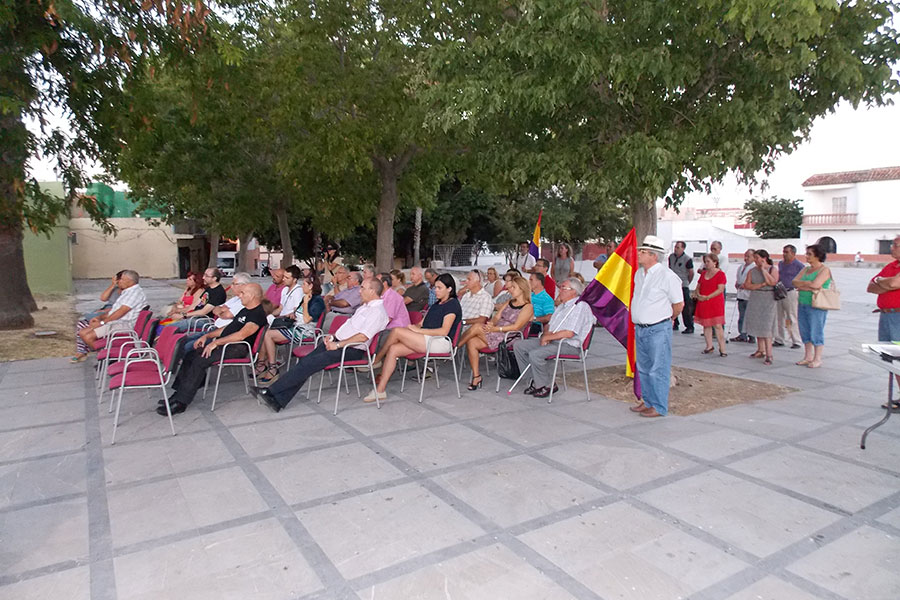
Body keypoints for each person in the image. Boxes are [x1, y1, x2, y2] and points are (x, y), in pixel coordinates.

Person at [250, 278, 390, 412]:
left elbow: (363, 336)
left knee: (309, 363)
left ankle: (271, 392)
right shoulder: (365, 307)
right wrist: (333, 337)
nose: (359, 291)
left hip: (351, 349)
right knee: (306, 363)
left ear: (372, 291)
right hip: (339, 343)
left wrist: (338, 344)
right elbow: (350, 327)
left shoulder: (377, 311)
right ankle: (278, 400)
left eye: (363, 288)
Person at [157, 284, 268, 416]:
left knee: (200, 360)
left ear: (252, 296)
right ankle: (179, 393)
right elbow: (228, 329)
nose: (239, 295)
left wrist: (216, 343)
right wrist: (207, 336)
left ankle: (181, 402)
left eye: (243, 293)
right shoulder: (245, 310)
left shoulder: (257, 314)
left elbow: (241, 335)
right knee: (191, 354)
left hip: (238, 347)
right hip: (228, 343)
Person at [367, 273, 462, 403]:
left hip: (441, 342)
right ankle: (380, 390)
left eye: (439, 288)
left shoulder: (452, 305)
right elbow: (421, 324)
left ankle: (376, 360)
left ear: (449, 289)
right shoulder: (436, 305)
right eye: (435, 287)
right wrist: (413, 329)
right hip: (426, 339)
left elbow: (444, 331)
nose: (436, 290)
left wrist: (417, 331)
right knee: (394, 348)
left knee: (396, 331)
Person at [628, 236, 684, 418]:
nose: (639, 254)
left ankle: (659, 406)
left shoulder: (667, 276)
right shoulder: (639, 274)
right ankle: (648, 401)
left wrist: (668, 318)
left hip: (658, 328)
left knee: (657, 369)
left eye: (643, 252)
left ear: (653, 255)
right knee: (643, 368)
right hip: (641, 328)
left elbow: (678, 304)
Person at [513, 278, 594, 399]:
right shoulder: (562, 306)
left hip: (569, 345)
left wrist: (548, 337)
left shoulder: (580, 306)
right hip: (554, 341)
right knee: (519, 346)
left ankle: (547, 385)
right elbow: (549, 325)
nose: (559, 290)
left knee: (536, 354)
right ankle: (534, 381)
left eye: (563, 288)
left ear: (574, 291)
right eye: (560, 287)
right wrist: (546, 335)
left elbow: (569, 333)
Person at [460, 276, 534, 390]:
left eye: (513, 287)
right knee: (472, 341)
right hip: (496, 332)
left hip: (509, 337)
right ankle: (476, 376)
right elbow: (497, 317)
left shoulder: (528, 307)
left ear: (522, 289)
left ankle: (455, 347)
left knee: (476, 327)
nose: (510, 290)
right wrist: (491, 324)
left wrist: (495, 329)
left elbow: (516, 327)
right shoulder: (509, 302)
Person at [258, 269, 326, 382]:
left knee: (269, 334)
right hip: (295, 325)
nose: (301, 286)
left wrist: (305, 304)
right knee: (266, 330)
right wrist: (293, 314)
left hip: (304, 331)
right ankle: (263, 364)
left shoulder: (316, 301)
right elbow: (299, 314)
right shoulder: (306, 297)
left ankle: (272, 368)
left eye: (304, 284)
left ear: (310, 286)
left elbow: (307, 319)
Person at [73, 270, 148, 362]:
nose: (118, 282)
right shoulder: (127, 292)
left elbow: (121, 312)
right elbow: (113, 311)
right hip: (117, 322)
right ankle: (105, 356)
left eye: (121, 280)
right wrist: (99, 318)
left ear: (130, 281)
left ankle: (106, 358)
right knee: (83, 332)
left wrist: (102, 322)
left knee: (88, 336)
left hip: (124, 324)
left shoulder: (134, 293)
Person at [867, 234, 900, 406]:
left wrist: (882, 283)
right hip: (886, 315)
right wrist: (884, 282)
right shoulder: (891, 266)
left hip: (898, 316)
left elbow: (895, 284)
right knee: (892, 357)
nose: (891, 248)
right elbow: (871, 287)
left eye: (895, 245)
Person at [792, 244, 834, 369]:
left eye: (809, 254)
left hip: (817, 304)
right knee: (804, 330)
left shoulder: (824, 270)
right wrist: (807, 284)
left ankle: (817, 358)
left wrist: (804, 285)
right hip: (803, 302)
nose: (807, 256)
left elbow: (816, 285)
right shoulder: (805, 269)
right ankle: (808, 356)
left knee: (816, 330)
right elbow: (794, 282)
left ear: (818, 255)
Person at [743, 249, 779, 365]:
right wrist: (760, 285)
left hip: (768, 299)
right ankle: (760, 349)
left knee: (766, 326)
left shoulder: (773, 269)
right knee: (758, 324)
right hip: (756, 298)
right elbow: (747, 285)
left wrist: (764, 270)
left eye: (758, 258)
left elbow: (772, 282)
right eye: (755, 258)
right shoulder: (752, 271)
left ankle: (769, 354)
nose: (756, 260)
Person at [694, 253, 728, 356]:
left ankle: (722, 348)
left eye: (708, 261)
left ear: (715, 262)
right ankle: (709, 346)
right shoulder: (704, 273)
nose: (706, 263)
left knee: (717, 325)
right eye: (705, 261)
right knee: (706, 324)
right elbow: (698, 286)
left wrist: (708, 296)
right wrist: (698, 294)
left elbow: (720, 289)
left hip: (715, 302)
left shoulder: (720, 274)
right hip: (704, 301)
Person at [774, 244, 804, 349]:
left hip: (791, 292)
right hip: (780, 291)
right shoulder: (781, 264)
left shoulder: (799, 265)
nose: (784, 254)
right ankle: (779, 338)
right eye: (783, 252)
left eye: (787, 252)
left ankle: (796, 340)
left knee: (791, 316)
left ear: (793, 253)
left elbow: (803, 278)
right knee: (778, 316)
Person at [668, 241, 694, 334]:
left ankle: (689, 326)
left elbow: (691, 272)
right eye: (675, 247)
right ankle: (675, 323)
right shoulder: (671, 257)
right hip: (672, 284)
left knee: (686, 306)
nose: (676, 249)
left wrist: (687, 282)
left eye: (678, 247)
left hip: (683, 284)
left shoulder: (687, 259)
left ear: (683, 248)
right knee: (672, 304)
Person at [731, 250, 756, 343]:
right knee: (741, 316)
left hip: (750, 296)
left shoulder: (754, 268)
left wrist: (745, 285)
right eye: (745, 256)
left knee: (750, 316)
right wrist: (737, 284)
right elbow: (739, 278)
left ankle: (752, 335)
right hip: (741, 295)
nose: (746, 258)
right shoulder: (741, 267)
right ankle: (742, 334)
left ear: (753, 257)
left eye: (749, 256)